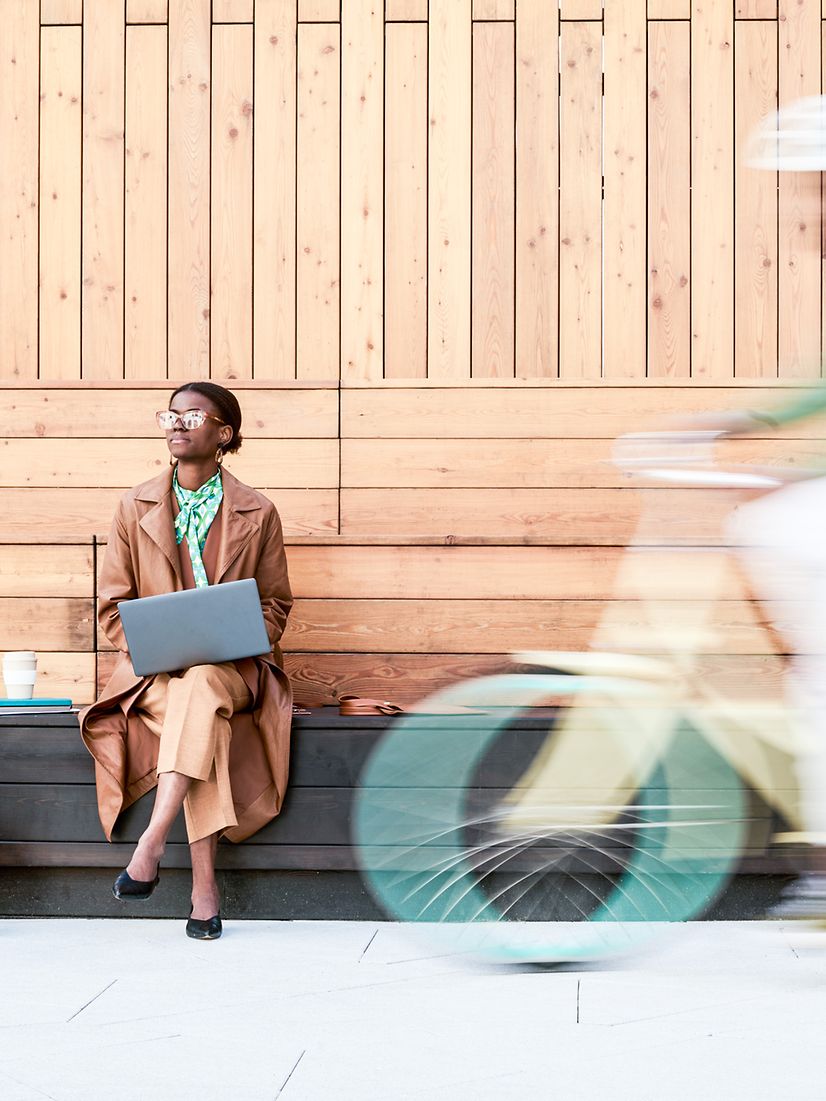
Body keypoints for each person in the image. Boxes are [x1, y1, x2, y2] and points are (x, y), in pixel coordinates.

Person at [80, 382, 293, 939]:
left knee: (203, 684)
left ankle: (152, 842)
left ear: (224, 434)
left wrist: (245, 636)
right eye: (169, 416)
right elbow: (110, 609)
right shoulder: (134, 506)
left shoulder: (259, 510)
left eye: (192, 416)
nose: (176, 424)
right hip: (154, 675)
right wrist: (153, 642)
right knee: (198, 711)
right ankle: (203, 889)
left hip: (236, 672)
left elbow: (275, 604)